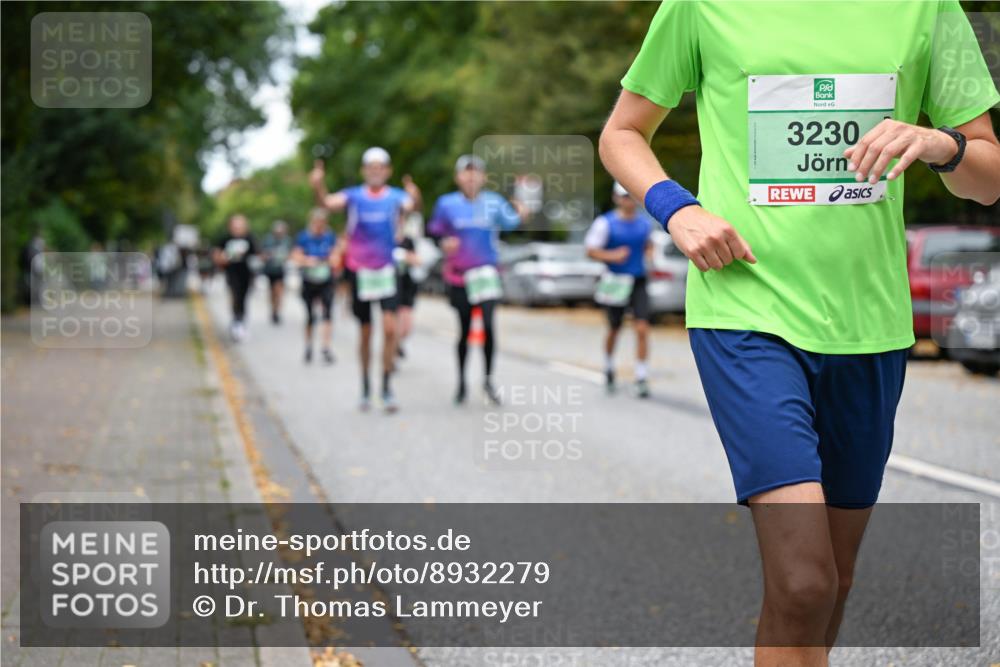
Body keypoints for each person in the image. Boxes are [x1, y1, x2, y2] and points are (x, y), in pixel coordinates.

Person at [600, 2, 1000, 664]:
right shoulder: (702, 6)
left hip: (869, 325)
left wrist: (940, 143)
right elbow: (622, 133)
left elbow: (988, 177)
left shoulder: (928, 8)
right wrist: (679, 210)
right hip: (745, 310)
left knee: (831, 584)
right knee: (804, 577)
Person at [309, 147, 422, 412]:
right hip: (360, 271)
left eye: (380, 166)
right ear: (364, 170)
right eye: (370, 166)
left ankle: (386, 386)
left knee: (391, 328)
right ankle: (365, 387)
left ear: (388, 171)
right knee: (366, 332)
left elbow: (413, 206)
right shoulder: (353, 196)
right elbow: (325, 202)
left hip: (387, 270)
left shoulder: (395, 196)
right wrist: (318, 185)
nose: (375, 170)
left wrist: (417, 197)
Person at [427, 155, 525, 405]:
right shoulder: (446, 204)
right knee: (465, 330)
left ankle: (488, 381)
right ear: (458, 177)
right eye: (466, 173)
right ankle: (461, 382)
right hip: (460, 277)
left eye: (476, 173)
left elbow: (513, 223)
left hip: (487, 274)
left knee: (490, 328)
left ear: (483, 177)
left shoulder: (494, 202)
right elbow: (434, 233)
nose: (471, 177)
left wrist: (523, 208)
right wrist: (442, 243)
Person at [585, 182, 654, 398]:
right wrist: (612, 256)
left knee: (642, 328)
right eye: (624, 196)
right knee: (615, 329)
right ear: (616, 198)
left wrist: (650, 253)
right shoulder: (605, 223)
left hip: (638, 280)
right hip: (615, 281)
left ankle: (641, 377)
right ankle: (608, 368)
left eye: (631, 196)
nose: (628, 200)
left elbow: (648, 244)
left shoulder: (644, 223)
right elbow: (590, 251)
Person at [291, 208, 338, 365]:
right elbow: (296, 256)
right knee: (310, 316)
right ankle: (308, 345)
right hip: (309, 280)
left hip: (326, 280)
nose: (319, 226)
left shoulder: (329, 236)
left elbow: (335, 255)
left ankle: (326, 347)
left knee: (327, 313)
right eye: (317, 223)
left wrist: (330, 260)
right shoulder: (303, 237)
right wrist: (307, 260)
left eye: (322, 223)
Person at [213, 214, 257, 342]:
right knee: (234, 296)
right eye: (235, 225)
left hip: (246, 273)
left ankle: (241, 320)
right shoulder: (225, 239)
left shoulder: (249, 238)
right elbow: (217, 255)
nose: (237, 228)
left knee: (243, 297)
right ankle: (236, 320)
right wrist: (222, 258)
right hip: (231, 273)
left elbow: (257, 254)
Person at [261, 220, 293, 324]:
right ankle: (273, 309)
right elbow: (263, 254)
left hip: (281, 270)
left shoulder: (287, 241)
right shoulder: (268, 240)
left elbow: (291, 254)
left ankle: (277, 311)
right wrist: (268, 255)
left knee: (279, 290)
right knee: (272, 292)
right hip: (270, 270)